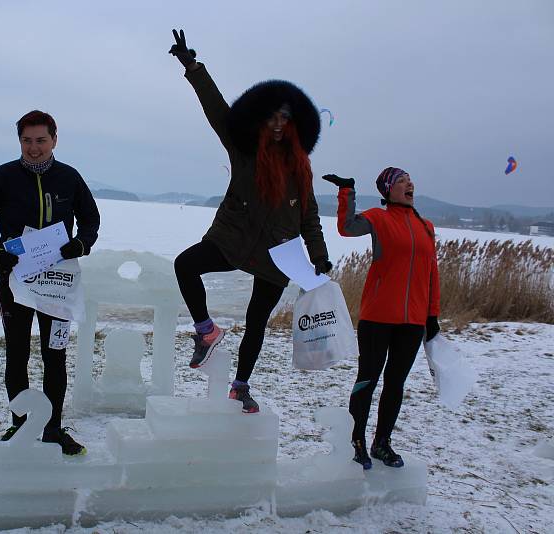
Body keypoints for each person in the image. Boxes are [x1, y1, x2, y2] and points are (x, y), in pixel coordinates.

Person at [169, 29, 332, 414]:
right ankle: (207, 332)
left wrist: (319, 258)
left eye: (285, 118)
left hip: (279, 252)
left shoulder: (300, 170)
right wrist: (194, 68)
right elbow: (217, 109)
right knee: (184, 265)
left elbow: (309, 219)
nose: (278, 124)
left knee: (256, 322)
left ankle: (240, 387)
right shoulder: (243, 151)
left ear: (293, 124)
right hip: (235, 238)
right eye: (271, 117)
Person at [0, 110, 100, 455]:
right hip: (15, 282)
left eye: (41, 140)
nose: (34, 148)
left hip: (58, 284)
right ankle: (20, 426)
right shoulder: (3, 177)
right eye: (27, 141)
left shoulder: (69, 178)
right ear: (20, 142)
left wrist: (81, 244)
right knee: (17, 354)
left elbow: (90, 219)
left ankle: (54, 429)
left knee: (54, 354)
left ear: (54, 140)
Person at [323, 168, 440, 469]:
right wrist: (347, 192)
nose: (409, 184)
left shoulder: (426, 227)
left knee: (395, 383)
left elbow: (432, 275)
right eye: (401, 181)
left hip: (412, 321)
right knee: (368, 379)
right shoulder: (379, 218)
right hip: (378, 317)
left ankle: (382, 443)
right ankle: (358, 440)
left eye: (410, 180)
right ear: (388, 190)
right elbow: (347, 227)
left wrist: (432, 315)